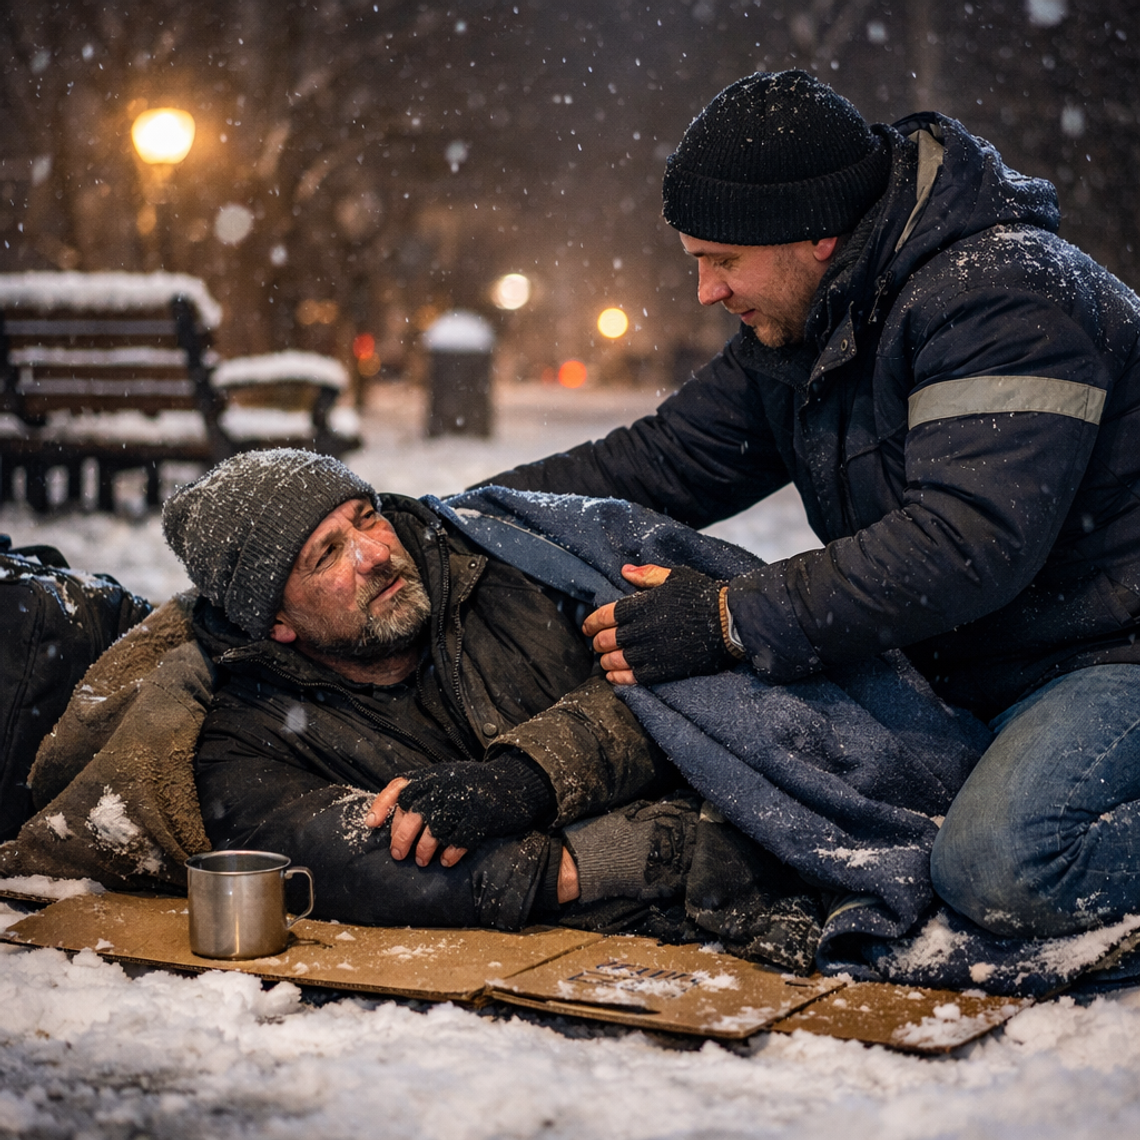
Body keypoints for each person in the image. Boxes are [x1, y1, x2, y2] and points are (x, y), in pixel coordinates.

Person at [485, 69, 1140, 941]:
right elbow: (656, 462)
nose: (706, 292)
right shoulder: (810, 325)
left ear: (818, 236)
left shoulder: (1006, 294)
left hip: (1104, 657)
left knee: (1004, 869)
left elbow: (964, 543)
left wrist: (725, 617)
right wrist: (437, 518)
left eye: (722, 261)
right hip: (968, 666)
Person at [161, 448, 703, 933]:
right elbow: (355, 864)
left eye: (367, 518)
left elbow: (659, 674)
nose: (374, 553)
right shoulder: (247, 741)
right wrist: (604, 860)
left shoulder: (500, 571)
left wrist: (524, 777)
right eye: (327, 555)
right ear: (278, 621)